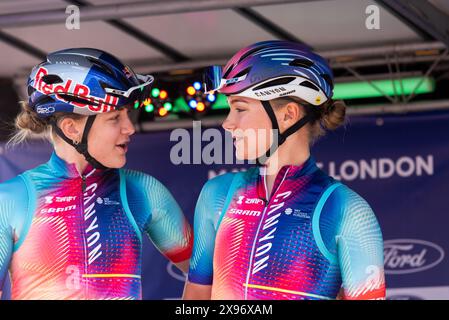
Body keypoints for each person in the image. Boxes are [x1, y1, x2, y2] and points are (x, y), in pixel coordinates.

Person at [183, 40, 385, 300]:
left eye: (240, 109)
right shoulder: (216, 194)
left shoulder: (348, 210)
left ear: (288, 115)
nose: (227, 123)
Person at [0, 48, 192, 300]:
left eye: (128, 115)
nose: (130, 128)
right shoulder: (11, 199)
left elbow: (213, 281)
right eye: (115, 118)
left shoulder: (143, 190)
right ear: (71, 129)